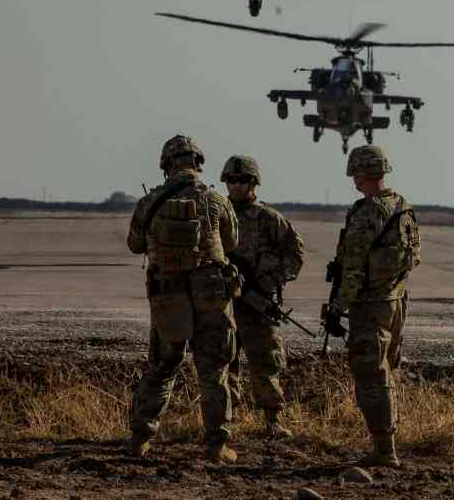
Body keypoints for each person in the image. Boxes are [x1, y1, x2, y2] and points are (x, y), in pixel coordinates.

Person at [126, 135, 240, 463]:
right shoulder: (216, 199)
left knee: (162, 364)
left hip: (168, 291)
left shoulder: (149, 202)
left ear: (165, 164)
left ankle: (140, 439)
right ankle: (217, 445)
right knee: (214, 368)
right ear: (198, 163)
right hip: (211, 291)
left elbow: (135, 244)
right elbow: (232, 241)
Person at [323, 145, 421, 468]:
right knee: (386, 370)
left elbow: (353, 268)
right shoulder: (402, 206)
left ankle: (384, 450)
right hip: (395, 301)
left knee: (371, 375)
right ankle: (386, 443)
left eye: (355, 174)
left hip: (371, 306)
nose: (354, 180)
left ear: (361, 173)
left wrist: (337, 307)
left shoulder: (367, 212)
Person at [221, 154, 305, 440]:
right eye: (231, 180)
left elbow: (295, 255)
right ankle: (225, 422)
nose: (236, 185)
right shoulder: (217, 215)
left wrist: (269, 282)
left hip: (258, 304)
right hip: (223, 302)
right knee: (223, 362)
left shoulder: (269, 218)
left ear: (254, 183)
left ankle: (272, 420)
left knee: (266, 362)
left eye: (243, 180)